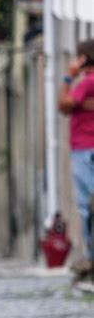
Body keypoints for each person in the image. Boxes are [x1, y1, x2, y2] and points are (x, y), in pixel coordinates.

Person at [58, 40, 94, 277]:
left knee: (86, 205)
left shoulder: (87, 82)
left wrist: (68, 78)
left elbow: (63, 104)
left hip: (84, 148)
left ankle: (91, 257)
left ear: (83, 58)